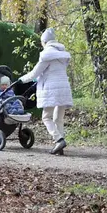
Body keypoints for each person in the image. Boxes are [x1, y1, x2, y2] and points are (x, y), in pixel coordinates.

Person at [19, 27, 73, 155]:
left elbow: (34, 73)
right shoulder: (62, 55)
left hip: (51, 90)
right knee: (58, 118)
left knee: (46, 117)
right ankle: (60, 147)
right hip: (64, 88)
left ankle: (58, 140)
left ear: (44, 42)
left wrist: (21, 80)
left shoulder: (46, 56)